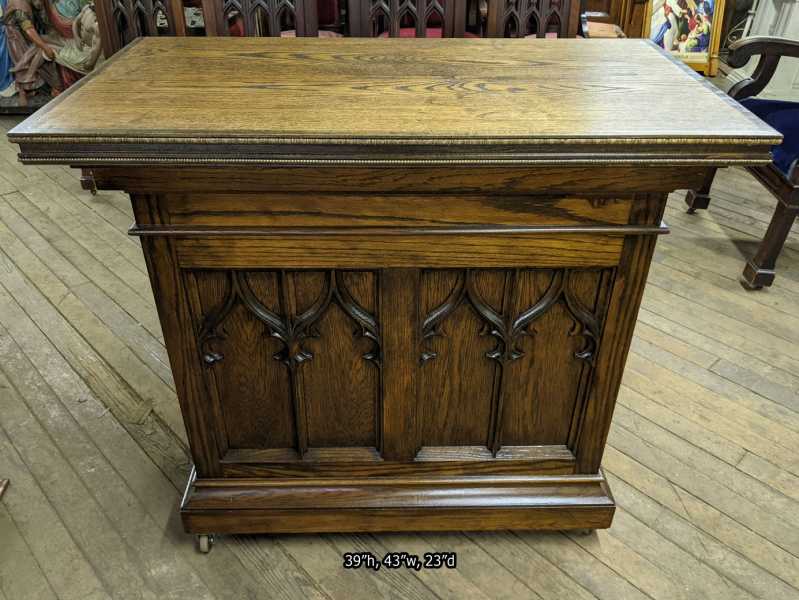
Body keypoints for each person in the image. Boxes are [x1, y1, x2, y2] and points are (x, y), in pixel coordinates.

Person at [3, 0, 64, 104]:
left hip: (23, 33)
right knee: (23, 62)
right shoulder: (20, 8)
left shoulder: (27, 3)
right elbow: (29, 29)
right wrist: (45, 47)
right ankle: (23, 92)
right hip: (16, 37)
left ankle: (32, 88)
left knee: (34, 57)